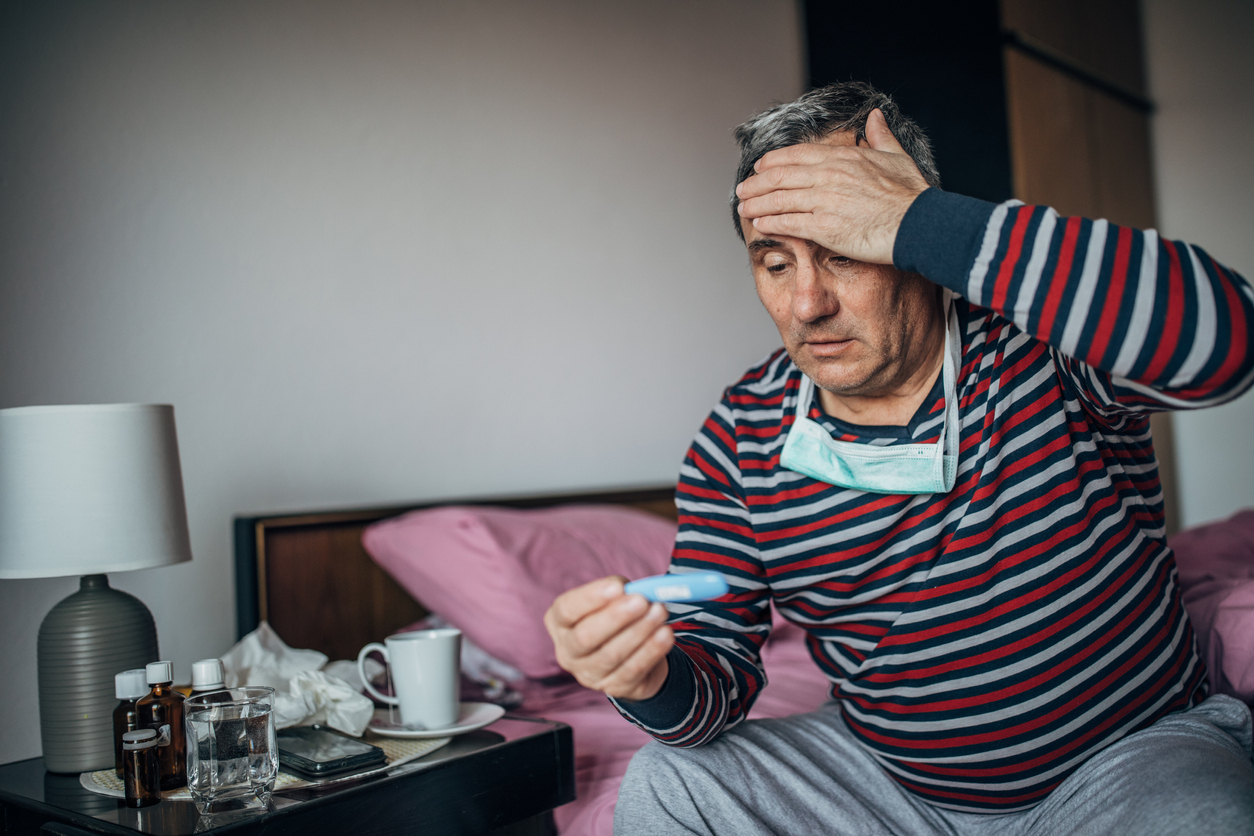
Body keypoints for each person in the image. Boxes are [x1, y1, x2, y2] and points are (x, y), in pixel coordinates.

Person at [544, 82, 1254, 835]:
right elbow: (713, 675)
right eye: (775, 263)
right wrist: (647, 678)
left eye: (844, 250)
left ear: (908, 237)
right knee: (668, 780)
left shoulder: (1042, 341)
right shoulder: (740, 434)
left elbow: (1227, 344)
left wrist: (923, 219)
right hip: (892, 791)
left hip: (1127, 762)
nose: (808, 303)